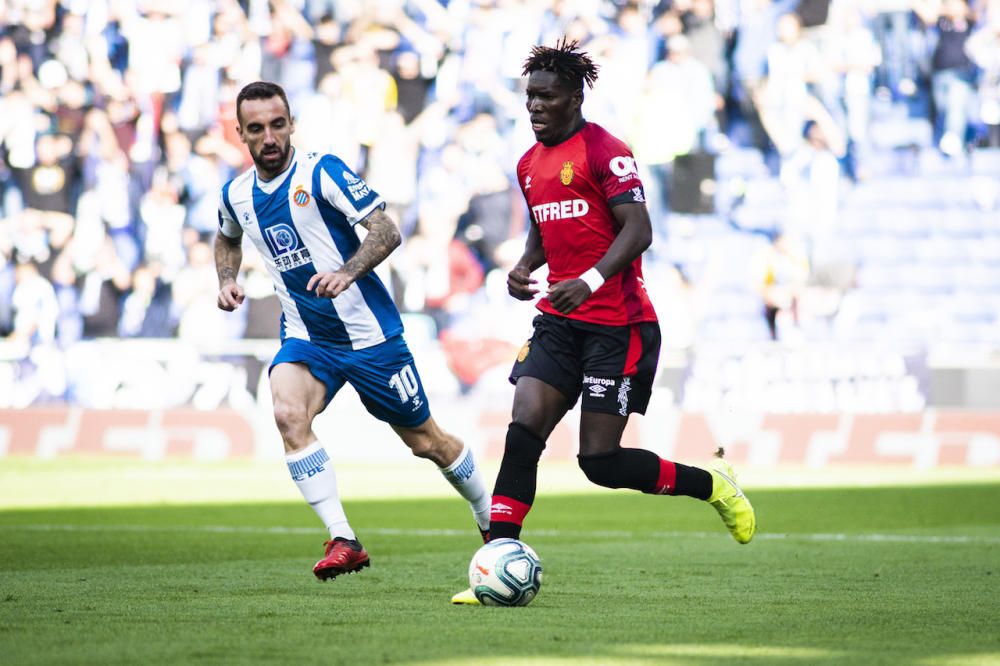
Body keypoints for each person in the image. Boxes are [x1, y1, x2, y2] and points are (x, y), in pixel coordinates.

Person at [452, 40, 756, 604]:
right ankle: (493, 567)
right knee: (522, 432)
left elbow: (638, 230)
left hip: (617, 325)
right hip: (559, 323)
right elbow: (547, 229)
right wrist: (523, 267)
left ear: (574, 96)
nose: (535, 107)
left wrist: (588, 281)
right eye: (529, 97)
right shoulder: (528, 163)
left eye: (546, 96)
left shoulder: (606, 151)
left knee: (599, 461)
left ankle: (712, 485)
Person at [214, 81, 491, 581]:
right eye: (257, 129)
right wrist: (227, 279)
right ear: (241, 134)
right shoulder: (235, 194)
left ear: (292, 122)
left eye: (278, 124)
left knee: (428, 443)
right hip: (306, 335)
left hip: (370, 339)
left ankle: (491, 522)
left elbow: (387, 229)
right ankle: (344, 539)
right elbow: (227, 237)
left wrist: (347, 271)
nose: (270, 136)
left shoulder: (323, 171)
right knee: (286, 413)